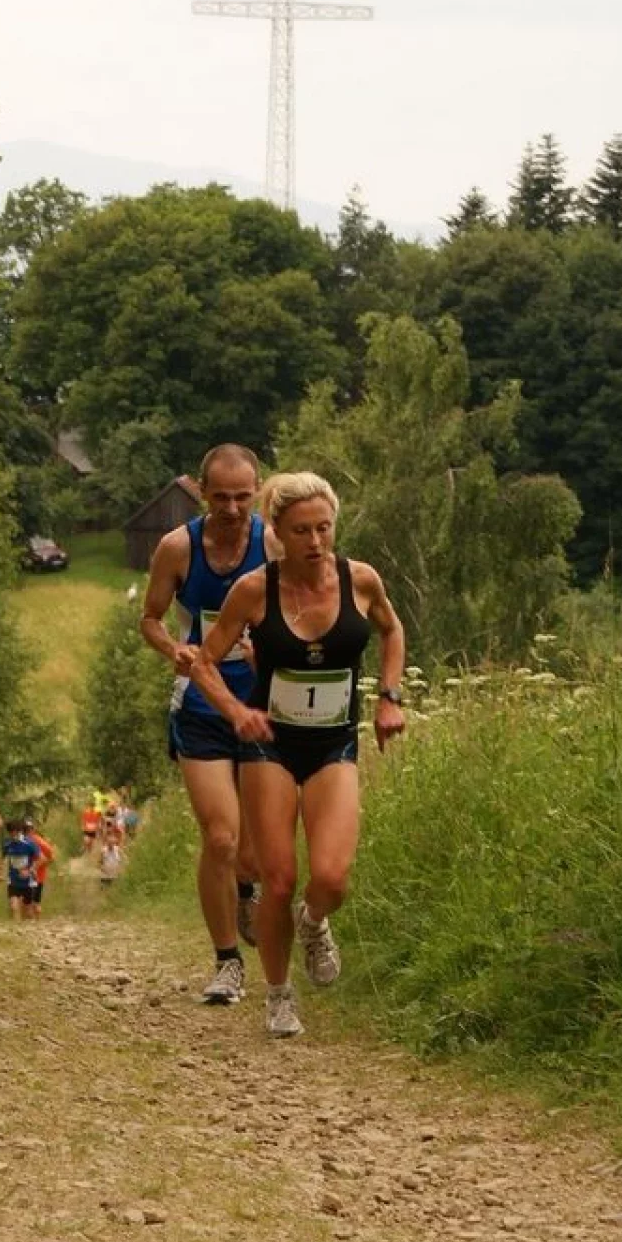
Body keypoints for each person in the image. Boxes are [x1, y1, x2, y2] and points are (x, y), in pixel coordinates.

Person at [189, 472, 405, 1039]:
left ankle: (315, 922)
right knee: (277, 878)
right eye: (302, 530)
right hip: (270, 746)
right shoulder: (255, 590)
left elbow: (392, 629)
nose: (316, 541)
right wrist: (236, 713)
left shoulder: (360, 579)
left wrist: (388, 698)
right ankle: (280, 995)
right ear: (279, 533)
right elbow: (204, 663)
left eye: (324, 528)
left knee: (332, 877)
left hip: (334, 742)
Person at [140, 444, 269, 1006]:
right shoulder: (177, 547)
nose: (234, 508)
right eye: (221, 497)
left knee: (256, 850)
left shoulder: (276, 542)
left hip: (265, 703)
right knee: (220, 836)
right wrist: (174, 648)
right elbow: (149, 617)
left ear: (258, 490)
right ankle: (226, 962)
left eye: (244, 496)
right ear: (200, 489)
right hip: (201, 705)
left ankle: (248, 888)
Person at [2, 818, 42, 917]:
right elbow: (3, 857)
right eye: (11, 833)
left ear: (20, 832)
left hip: (28, 882)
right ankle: (14, 929)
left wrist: (30, 870)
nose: (14, 836)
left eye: (16, 833)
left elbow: (40, 859)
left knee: (27, 912)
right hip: (13, 880)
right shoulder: (7, 844)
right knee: (13, 906)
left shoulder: (29, 844)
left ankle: (29, 928)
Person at [27, 822, 57, 915]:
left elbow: (51, 857)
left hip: (31, 876)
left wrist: (38, 865)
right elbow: (52, 857)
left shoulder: (28, 841)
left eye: (27, 829)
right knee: (36, 903)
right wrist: (43, 864)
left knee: (30, 903)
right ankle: (37, 924)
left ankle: (31, 925)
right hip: (39, 877)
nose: (26, 831)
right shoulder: (40, 840)